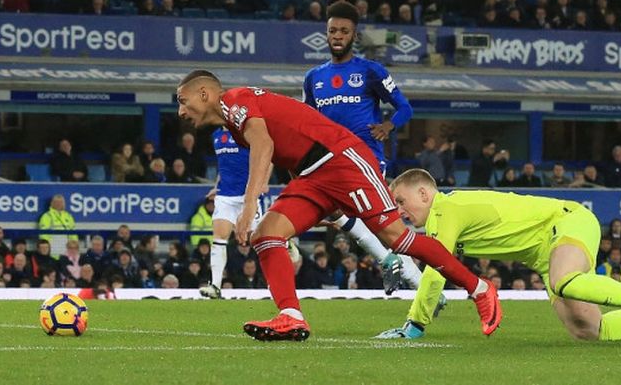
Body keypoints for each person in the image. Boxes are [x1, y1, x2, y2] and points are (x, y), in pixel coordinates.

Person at [175, 70, 501, 341]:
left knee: (399, 240)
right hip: (311, 176)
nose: (180, 110)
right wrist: (314, 201)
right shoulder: (234, 118)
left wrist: (248, 207)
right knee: (267, 234)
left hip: (343, 161)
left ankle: (479, 288)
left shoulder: (234, 101)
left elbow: (264, 144)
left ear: (204, 93)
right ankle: (290, 315)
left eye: (182, 100)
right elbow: (288, 144)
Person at [376, 168, 621, 342]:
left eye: (400, 201)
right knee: (588, 330)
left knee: (563, 279)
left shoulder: (444, 210)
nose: (398, 210)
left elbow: (436, 270)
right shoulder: (444, 214)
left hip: (567, 220)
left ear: (424, 194)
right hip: (545, 252)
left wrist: (416, 324)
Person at [302, 1, 423, 293]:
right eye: (333, 30)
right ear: (326, 34)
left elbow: (405, 107)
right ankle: (394, 264)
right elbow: (307, 121)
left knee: (382, 227)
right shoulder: (313, 78)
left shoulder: (371, 71)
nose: (337, 36)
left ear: (354, 36)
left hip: (366, 160)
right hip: (330, 162)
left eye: (344, 31)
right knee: (335, 214)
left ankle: (421, 281)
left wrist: (388, 126)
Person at [199, 127, 266, 299]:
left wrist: (263, 181)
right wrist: (216, 185)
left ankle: (286, 245)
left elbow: (266, 155)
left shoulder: (245, 132)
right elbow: (224, 166)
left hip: (247, 196)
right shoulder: (216, 136)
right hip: (225, 196)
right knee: (219, 239)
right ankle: (215, 285)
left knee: (260, 239)